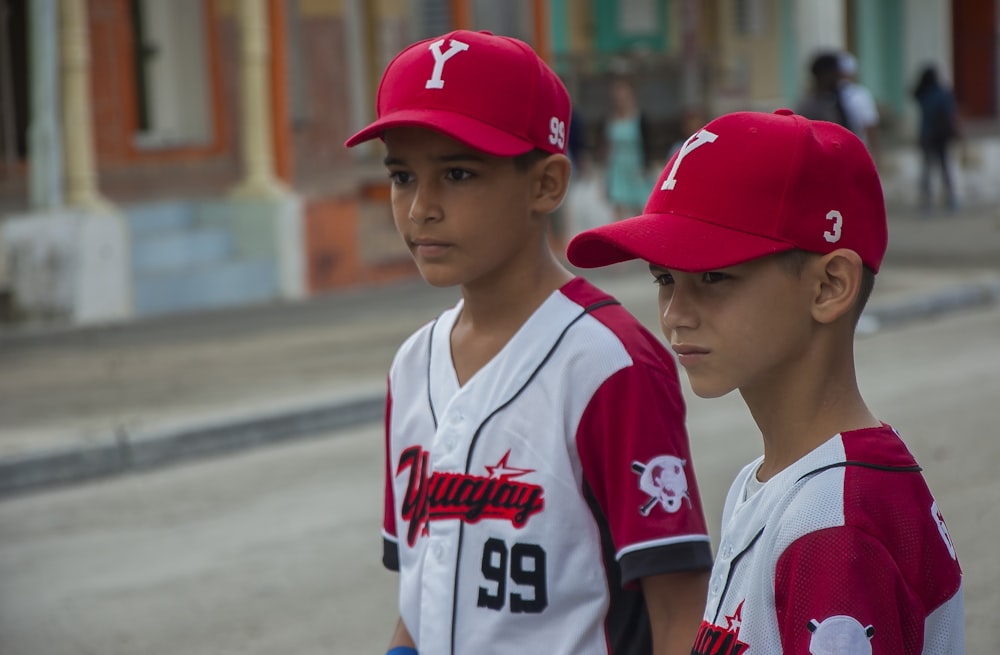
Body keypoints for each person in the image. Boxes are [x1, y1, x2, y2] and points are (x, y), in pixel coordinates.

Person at [344, 29, 713, 655]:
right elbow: (423, 598)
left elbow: (679, 611)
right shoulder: (412, 366)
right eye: (403, 175)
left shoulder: (606, 363)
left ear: (546, 184)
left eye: (457, 173)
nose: (420, 208)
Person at [567, 109, 965, 653]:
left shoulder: (835, 524)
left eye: (713, 278)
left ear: (829, 285)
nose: (675, 313)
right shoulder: (769, 482)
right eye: (664, 279)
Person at [602, 76, 654, 222]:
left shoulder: (640, 118)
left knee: (639, 208)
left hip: (635, 167)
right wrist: (605, 175)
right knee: (617, 208)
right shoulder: (611, 119)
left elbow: (647, 144)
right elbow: (608, 147)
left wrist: (646, 168)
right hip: (617, 167)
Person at [912, 64, 961, 211]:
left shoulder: (922, 94)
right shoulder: (943, 93)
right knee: (945, 166)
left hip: (926, 134)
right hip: (942, 135)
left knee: (927, 168)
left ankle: (927, 202)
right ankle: (951, 199)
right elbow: (951, 114)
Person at [838, 52, 880, 159]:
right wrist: (877, 154)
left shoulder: (824, 96)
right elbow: (870, 126)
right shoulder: (861, 95)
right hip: (857, 149)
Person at [797, 51, 850, 130]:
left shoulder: (836, 97)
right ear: (823, 75)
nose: (838, 77)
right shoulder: (810, 105)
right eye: (835, 72)